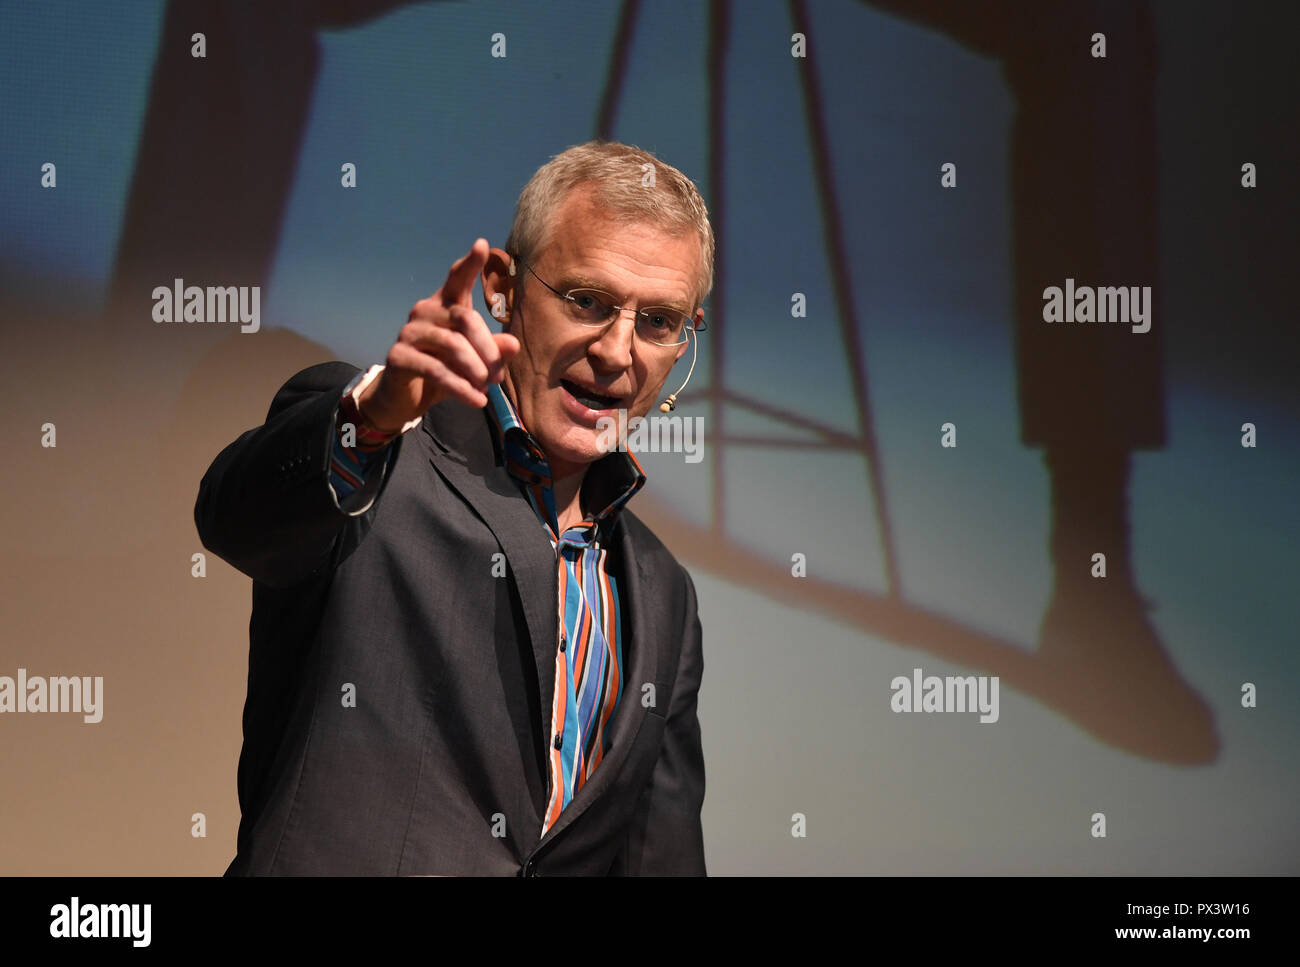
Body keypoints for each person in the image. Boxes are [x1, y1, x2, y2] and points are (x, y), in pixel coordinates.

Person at [195, 140, 712, 875]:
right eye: (587, 301)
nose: (616, 352)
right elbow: (234, 519)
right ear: (502, 286)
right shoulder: (381, 448)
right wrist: (370, 418)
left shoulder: (664, 594)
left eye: (658, 321)